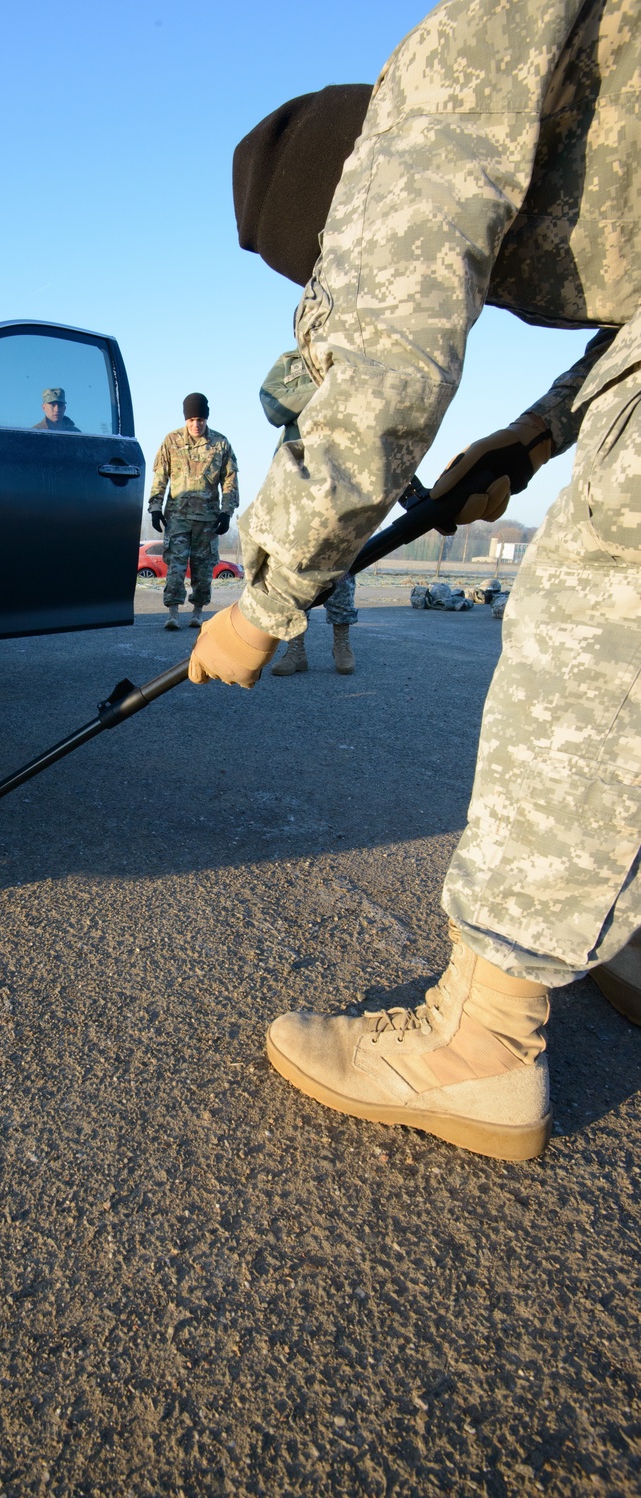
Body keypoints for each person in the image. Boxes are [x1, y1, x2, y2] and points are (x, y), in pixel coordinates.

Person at [188, 0, 641, 1161]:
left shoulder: (431, 86)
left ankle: (482, 1045)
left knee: (594, 617)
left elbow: (383, 368)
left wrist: (260, 603)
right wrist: (537, 435)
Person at [260, 351, 357, 675]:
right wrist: (323, 390)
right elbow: (274, 407)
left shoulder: (352, 355)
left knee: (341, 563)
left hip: (341, 473)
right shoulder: (289, 363)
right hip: (298, 477)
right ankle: (295, 649)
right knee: (295, 564)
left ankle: (341, 643)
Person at [149, 394, 239, 630]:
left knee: (203, 568)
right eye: (191, 420)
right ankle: (173, 612)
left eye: (200, 419)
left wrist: (226, 512)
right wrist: (155, 507)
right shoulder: (172, 441)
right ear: (185, 419)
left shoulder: (220, 444)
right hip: (178, 517)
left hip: (207, 520)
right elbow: (160, 476)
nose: (196, 425)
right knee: (176, 567)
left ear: (206, 418)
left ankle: (198, 611)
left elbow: (229, 481)